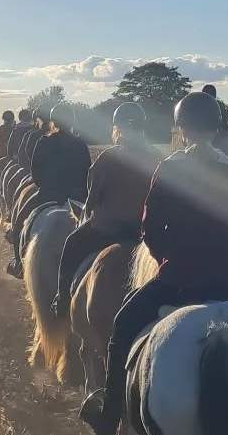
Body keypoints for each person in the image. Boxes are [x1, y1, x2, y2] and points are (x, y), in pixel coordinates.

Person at [79, 91, 228, 435]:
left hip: (178, 277)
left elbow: (149, 228)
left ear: (182, 128)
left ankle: (109, 417)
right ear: (216, 127)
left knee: (122, 329)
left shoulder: (171, 168)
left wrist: (169, 256)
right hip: (227, 278)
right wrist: (221, 255)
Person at [50, 102, 159, 317]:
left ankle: (62, 300)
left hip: (107, 230)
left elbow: (92, 198)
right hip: (143, 234)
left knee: (71, 244)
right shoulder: (156, 159)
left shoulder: (108, 158)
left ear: (118, 128)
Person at [7, 101, 91, 278]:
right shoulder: (80, 144)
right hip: (77, 198)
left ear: (53, 122)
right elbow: (87, 174)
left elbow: (36, 174)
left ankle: (18, 263)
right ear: (72, 121)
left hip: (48, 195)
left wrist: (48, 186)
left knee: (18, 223)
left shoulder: (43, 142)